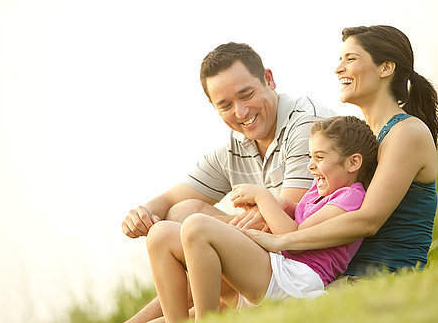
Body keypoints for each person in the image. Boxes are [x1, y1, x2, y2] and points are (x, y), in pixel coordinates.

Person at [121, 42, 331, 322]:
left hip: (297, 267)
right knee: (180, 213)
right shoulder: (238, 144)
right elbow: (171, 200)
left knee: (194, 225)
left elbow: (287, 228)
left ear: (268, 79)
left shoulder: (307, 125)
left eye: (246, 95)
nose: (241, 112)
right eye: (226, 105)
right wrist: (143, 213)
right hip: (259, 265)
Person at [243, 25, 438, 276]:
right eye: (340, 60)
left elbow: (368, 220)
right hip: (340, 274)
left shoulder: (406, 133)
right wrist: (286, 208)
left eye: (351, 59)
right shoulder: (365, 137)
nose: (339, 69)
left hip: (381, 277)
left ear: (386, 68)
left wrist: (282, 241)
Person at [146, 116, 378, 322]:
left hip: (295, 281)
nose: (311, 165)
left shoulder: (351, 196)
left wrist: (262, 195)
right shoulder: (319, 193)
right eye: (310, 156)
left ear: (353, 163)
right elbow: (302, 217)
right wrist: (283, 205)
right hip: (272, 273)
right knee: (160, 235)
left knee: (197, 226)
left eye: (319, 157)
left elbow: (294, 238)